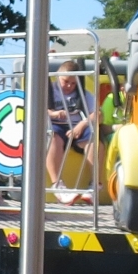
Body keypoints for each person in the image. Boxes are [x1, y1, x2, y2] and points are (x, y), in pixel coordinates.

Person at [46, 57, 95, 193]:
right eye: (65, 81)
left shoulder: (83, 94)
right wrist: (54, 114)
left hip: (77, 126)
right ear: (57, 77)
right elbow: (37, 109)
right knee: (53, 138)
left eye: (73, 83)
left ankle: (95, 184)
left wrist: (81, 125)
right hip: (56, 126)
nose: (69, 86)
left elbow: (97, 113)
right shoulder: (48, 91)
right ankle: (57, 184)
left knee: (93, 138)